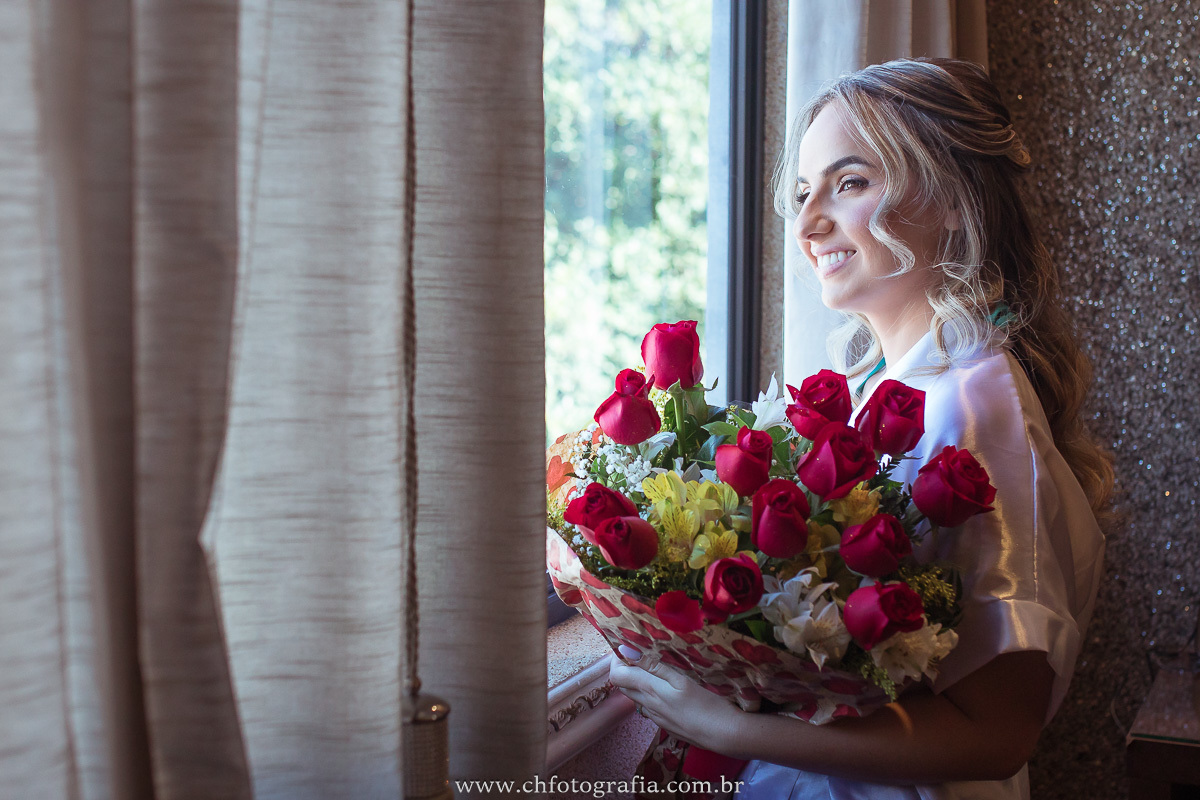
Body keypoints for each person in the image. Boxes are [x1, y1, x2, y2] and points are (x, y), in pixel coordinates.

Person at [609, 57, 1114, 799]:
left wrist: (731, 729)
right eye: (803, 191)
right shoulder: (890, 385)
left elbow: (1000, 731)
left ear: (954, 199)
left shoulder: (971, 402)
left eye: (849, 183)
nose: (808, 223)